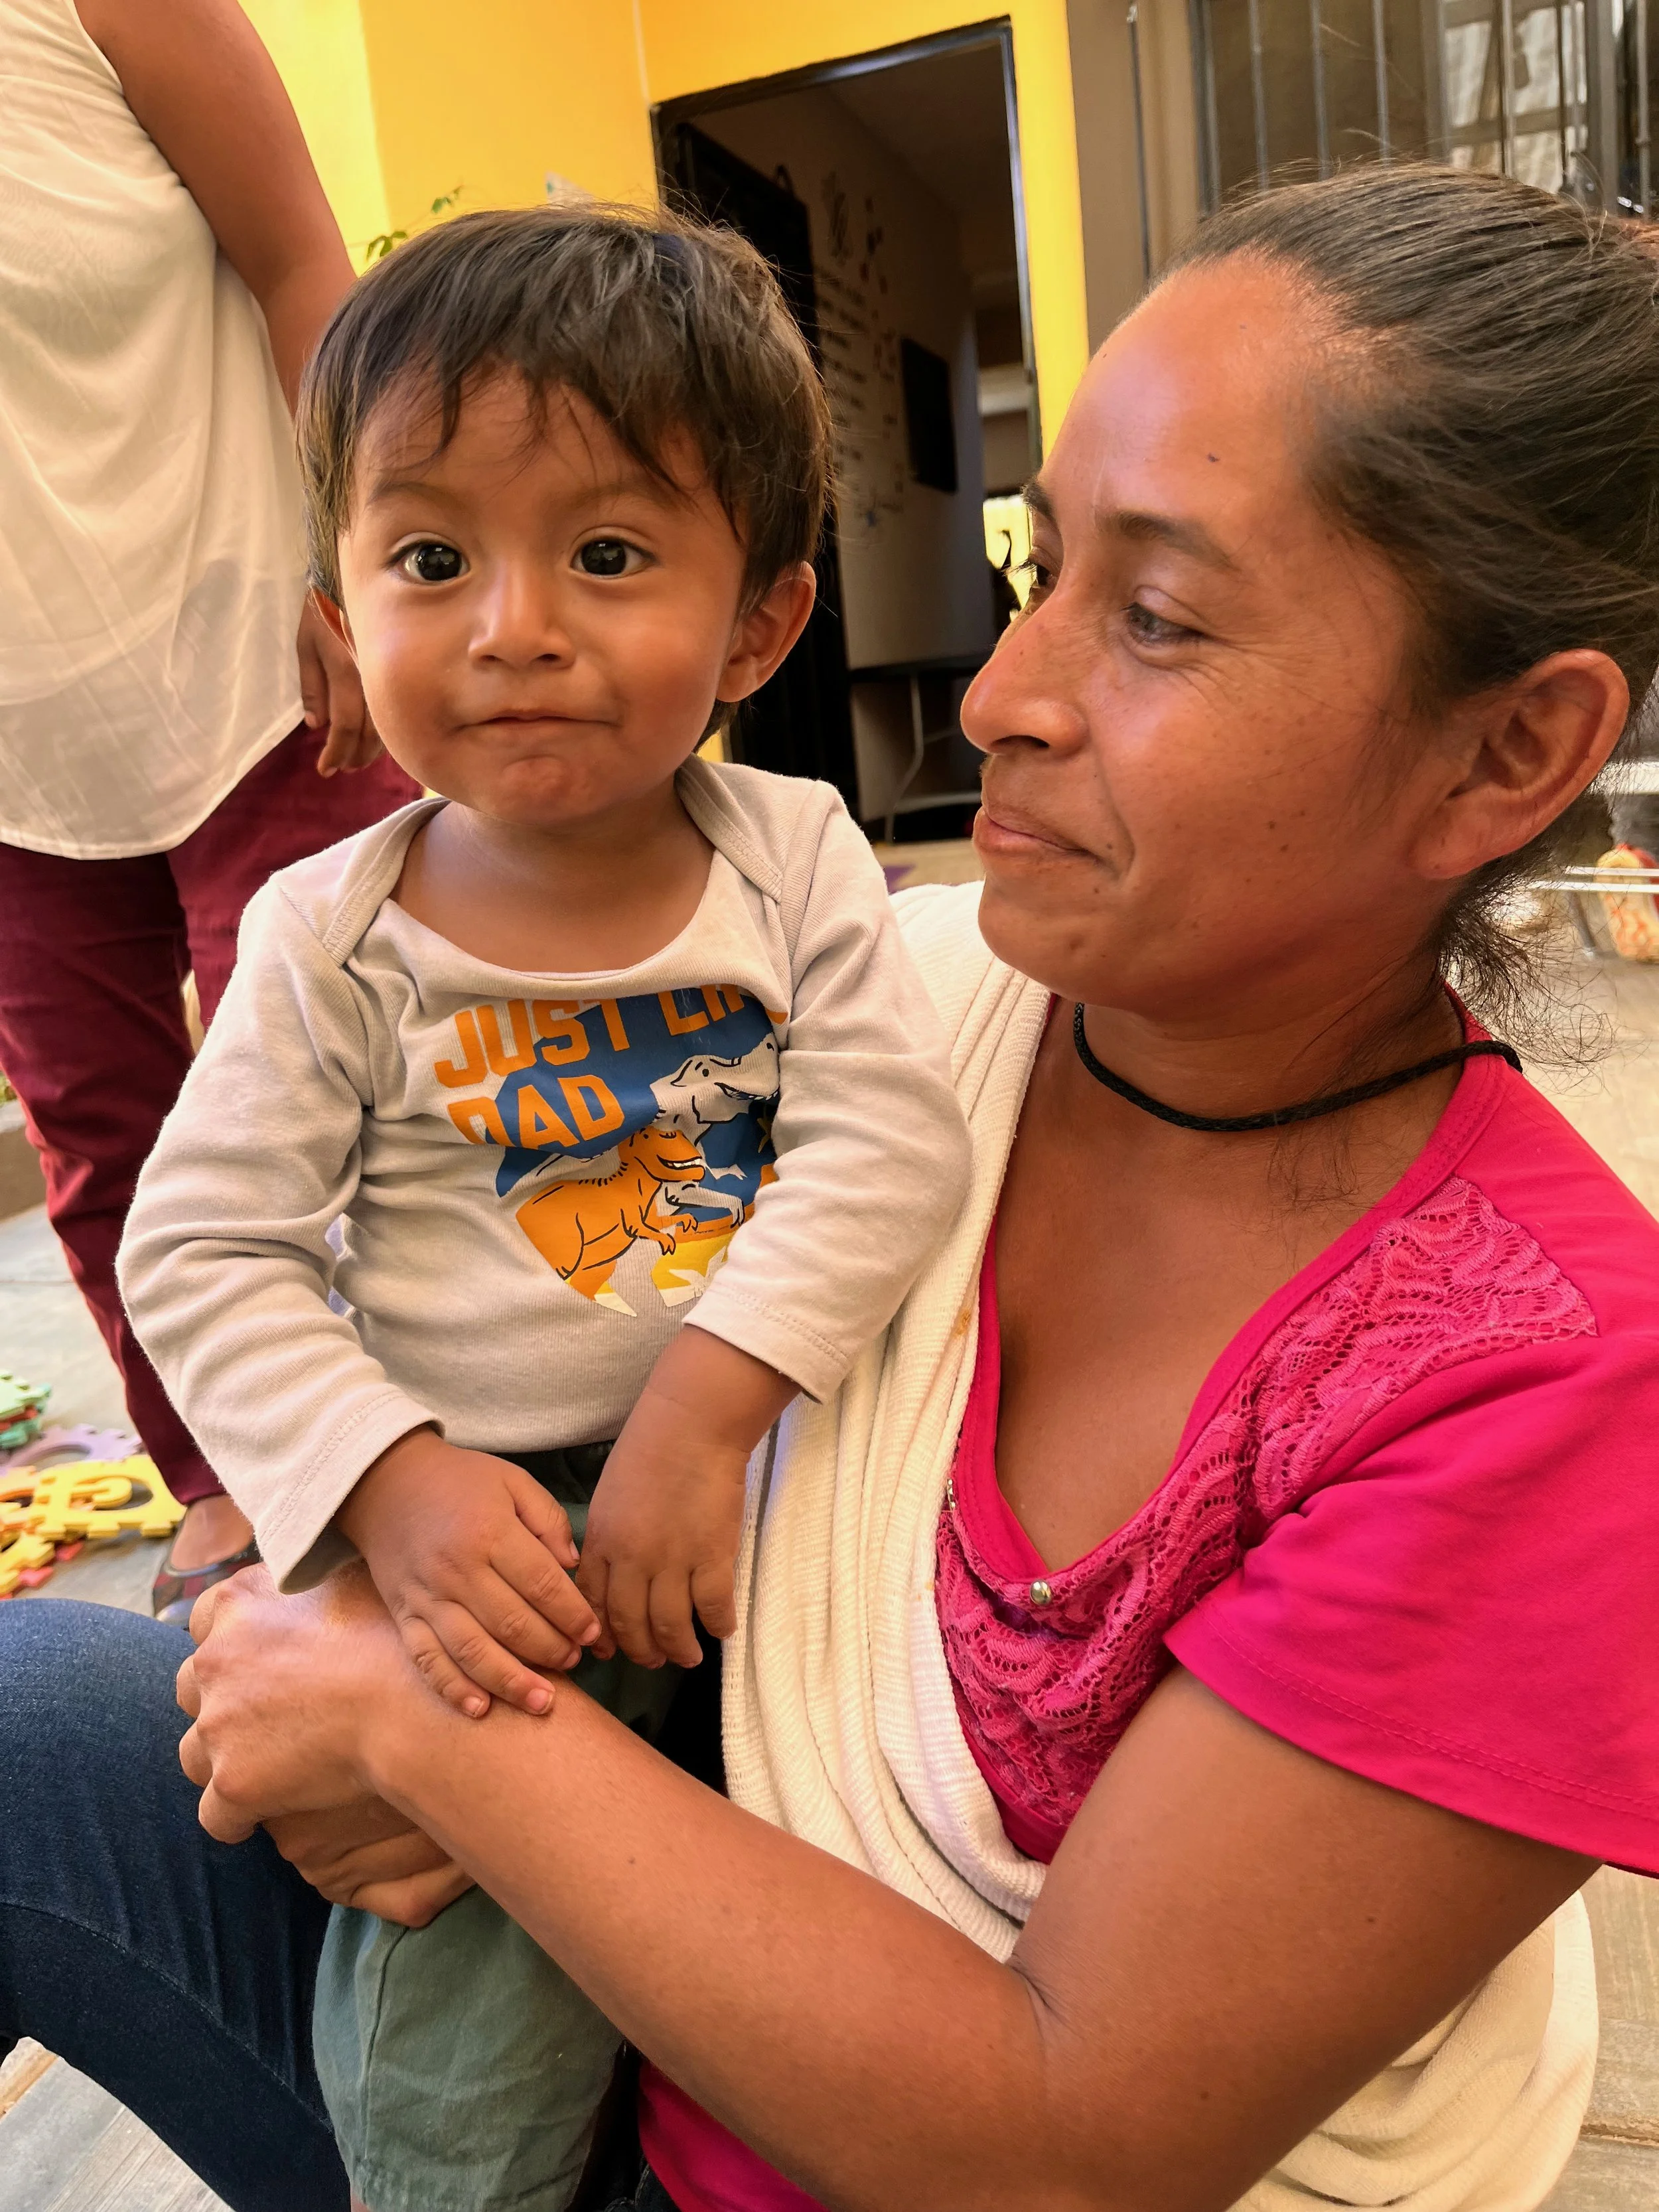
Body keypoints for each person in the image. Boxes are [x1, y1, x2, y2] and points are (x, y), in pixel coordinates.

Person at [5, 163, 1659, 2212]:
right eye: (1041, 566)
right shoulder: (906, 982)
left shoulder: (1545, 1381)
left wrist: (433, 1735)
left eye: (1153, 616)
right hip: (580, 1807)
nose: (997, 697)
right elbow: (284, 1271)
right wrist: (324, 1584)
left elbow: (1070, 2154)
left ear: (1504, 755)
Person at [115, 205, 970, 2212]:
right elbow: (204, 1244)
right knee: (465, 2048)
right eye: (430, 560)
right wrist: (389, 1487)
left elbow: (887, 1141)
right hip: (488, 1549)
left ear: (758, 626)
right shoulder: (331, 933)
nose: (512, 626)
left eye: (604, 554)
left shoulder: (794, 853)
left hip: (765, 1490)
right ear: (341, 622)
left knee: (808, 1905)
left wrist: (702, 1412)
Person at [0, 0, 418, 1618]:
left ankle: (434, 1456)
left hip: (265, 670)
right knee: (106, 1146)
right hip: (22, 757)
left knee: (352, 1102)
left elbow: (304, 267)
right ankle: (227, 1481)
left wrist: (354, 563)